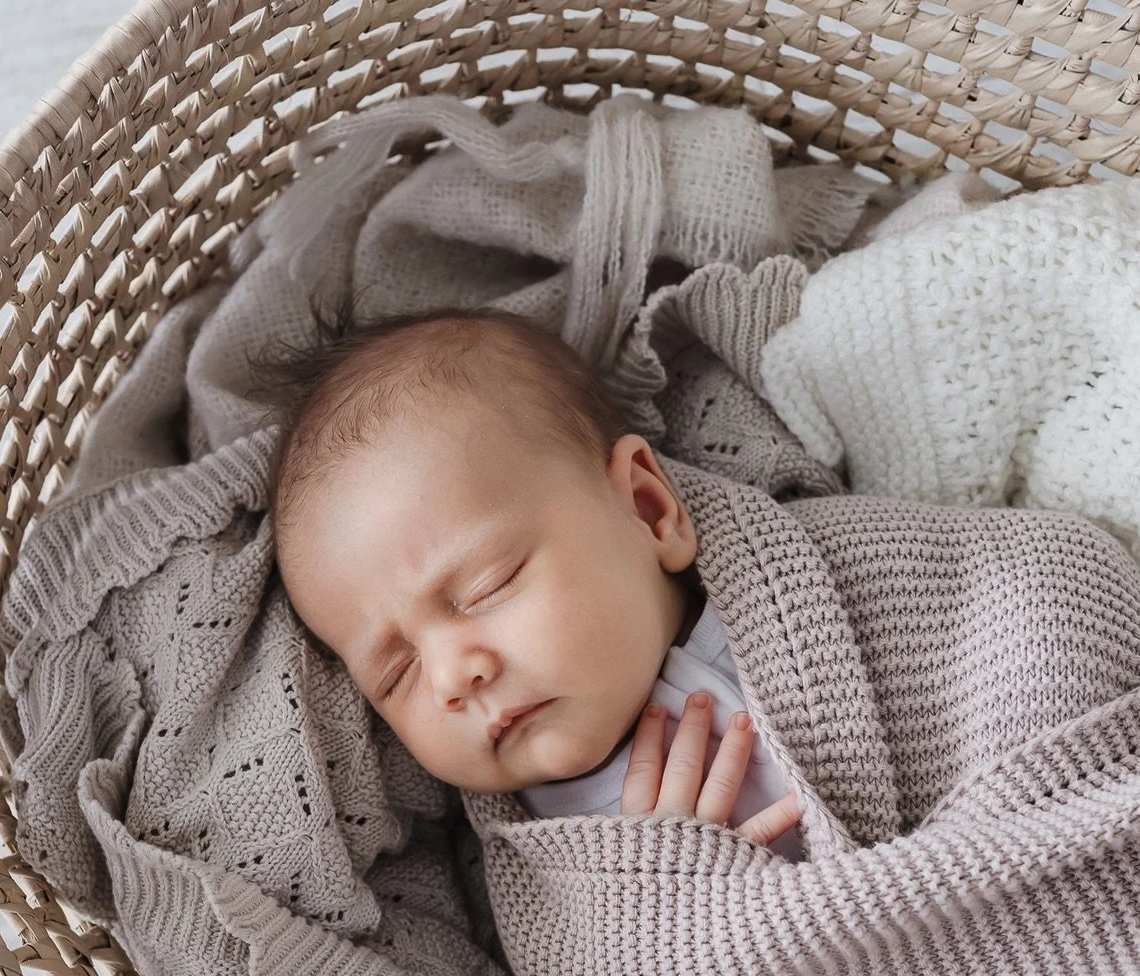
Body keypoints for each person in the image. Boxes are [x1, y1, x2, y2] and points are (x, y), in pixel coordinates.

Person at [267, 305, 803, 857]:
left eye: (486, 588)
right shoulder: (548, 864)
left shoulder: (808, 590)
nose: (450, 678)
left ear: (647, 509)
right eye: (397, 674)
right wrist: (670, 901)